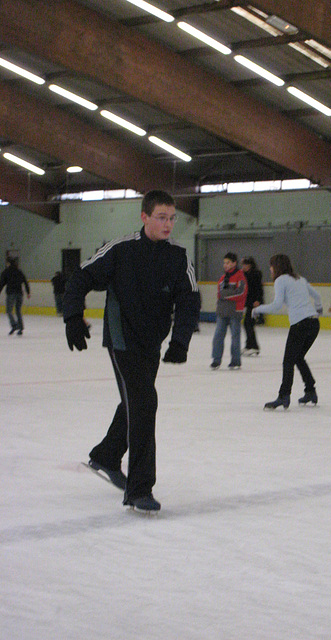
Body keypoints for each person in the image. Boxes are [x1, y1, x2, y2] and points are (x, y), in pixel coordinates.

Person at [63, 190, 200, 513]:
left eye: (172, 218)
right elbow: (81, 276)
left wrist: (180, 340)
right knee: (144, 402)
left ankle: (106, 455)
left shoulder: (178, 257)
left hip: (151, 342)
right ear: (144, 217)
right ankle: (140, 489)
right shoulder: (121, 250)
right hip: (123, 339)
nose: (168, 224)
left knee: (135, 400)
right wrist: (72, 316)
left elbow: (189, 300)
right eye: (161, 217)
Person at [252, 254, 322, 409]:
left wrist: (258, 309)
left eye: (271, 266)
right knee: (298, 358)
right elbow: (317, 296)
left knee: (288, 361)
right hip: (313, 323)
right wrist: (318, 309)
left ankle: (284, 396)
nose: (270, 269)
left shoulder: (280, 280)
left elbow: (277, 306)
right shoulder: (300, 279)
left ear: (276, 266)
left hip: (300, 325)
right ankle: (310, 390)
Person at [211, 252, 247, 370]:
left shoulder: (240, 276)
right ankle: (216, 360)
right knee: (218, 336)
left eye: (228, 263)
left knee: (235, 337)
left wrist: (226, 295)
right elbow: (219, 293)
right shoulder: (222, 278)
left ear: (234, 263)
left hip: (235, 312)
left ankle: (235, 361)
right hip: (222, 312)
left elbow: (241, 293)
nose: (225, 265)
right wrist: (226, 295)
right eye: (224, 263)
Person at [0, 256, 30, 335]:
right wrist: (28, 292)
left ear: (8, 263)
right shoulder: (19, 271)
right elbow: (25, 281)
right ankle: (20, 327)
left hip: (11, 293)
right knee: (18, 311)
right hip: (19, 293)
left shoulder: (6, 271)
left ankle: (14, 325)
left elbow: (2, 283)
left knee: (9, 310)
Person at [241, 256, 264, 356]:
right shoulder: (245, 274)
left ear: (250, 265)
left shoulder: (255, 274)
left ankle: (254, 346)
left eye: (245, 265)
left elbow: (259, 288)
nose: (243, 267)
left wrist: (258, 300)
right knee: (247, 324)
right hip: (249, 302)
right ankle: (249, 345)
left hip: (255, 303)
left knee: (249, 324)